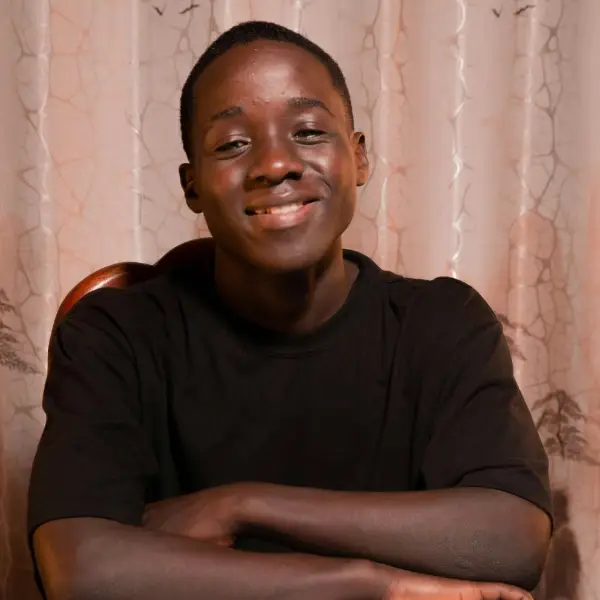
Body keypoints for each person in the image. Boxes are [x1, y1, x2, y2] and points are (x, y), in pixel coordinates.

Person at [28, 20, 552, 600]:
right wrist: (373, 586)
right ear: (192, 186)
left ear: (358, 159)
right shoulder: (116, 334)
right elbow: (79, 573)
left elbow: (512, 541)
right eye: (231, 144)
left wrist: (241, 505)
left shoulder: (440, 322)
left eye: (307, 132)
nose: (275, 164)